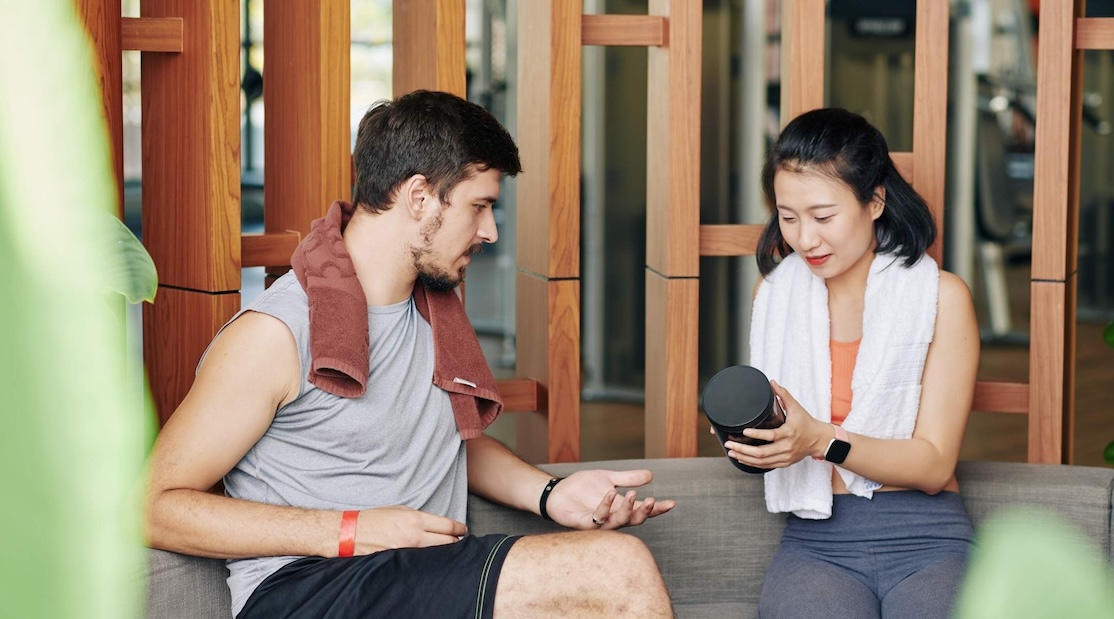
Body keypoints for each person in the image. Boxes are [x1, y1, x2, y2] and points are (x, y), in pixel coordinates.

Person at [146, 90, 676, 619]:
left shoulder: (432, 312)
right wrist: (350, 529)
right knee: (615, 568)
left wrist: (551, 494)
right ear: (420, 196)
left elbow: (439, 442)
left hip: (418, 577)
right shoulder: (276, 335)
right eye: (480, 206)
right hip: (310, 590)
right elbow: (153, 506)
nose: (489, 231)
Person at [724, 108, 980, 618]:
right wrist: (759, 440)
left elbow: (932, 465)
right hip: (818, 540)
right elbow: (786, 427)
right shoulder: (775, 297)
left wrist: (820, 438)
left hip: (927, 536)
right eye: (788, 218)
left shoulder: (940, 298)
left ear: (875, 200)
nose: (805, 239)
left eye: (823, 217)